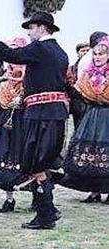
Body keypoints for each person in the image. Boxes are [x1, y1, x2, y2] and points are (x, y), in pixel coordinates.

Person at [0, 12, 69, 229]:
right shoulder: (60, 51)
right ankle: (47, 211)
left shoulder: (40, 49)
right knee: (43, 163)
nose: (29, 32)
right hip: (55, 114)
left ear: (42, 28)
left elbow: (11, 54)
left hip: (41, 114)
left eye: (31, 28)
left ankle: (46, 215)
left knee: (37, 164)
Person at [61, 37, 109, 202]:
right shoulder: (88, 73)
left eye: (101, 54)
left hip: (107, 115)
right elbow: (80, 91)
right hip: (92, 115)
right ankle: (94, 190)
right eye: (95, 54)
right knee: (90, 152)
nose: (97, 57)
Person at [0, 38, 29, 213]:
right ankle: (9, 198)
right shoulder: (4, 80)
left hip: (24, 123)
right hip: (6, 124)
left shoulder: (30, 80)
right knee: (5, 158)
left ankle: (37, 194)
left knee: (26, 158)